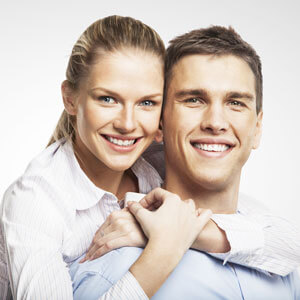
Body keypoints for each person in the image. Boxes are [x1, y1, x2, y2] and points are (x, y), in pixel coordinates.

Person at [0, 16, 299, 300]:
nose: (128, 123)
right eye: (107, 98)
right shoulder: (36, 200)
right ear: (70, 98)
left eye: (146, 102)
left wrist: (187, 232)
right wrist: (164, 248)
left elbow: (286, 241)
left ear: (159, 120)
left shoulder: (151, 157)